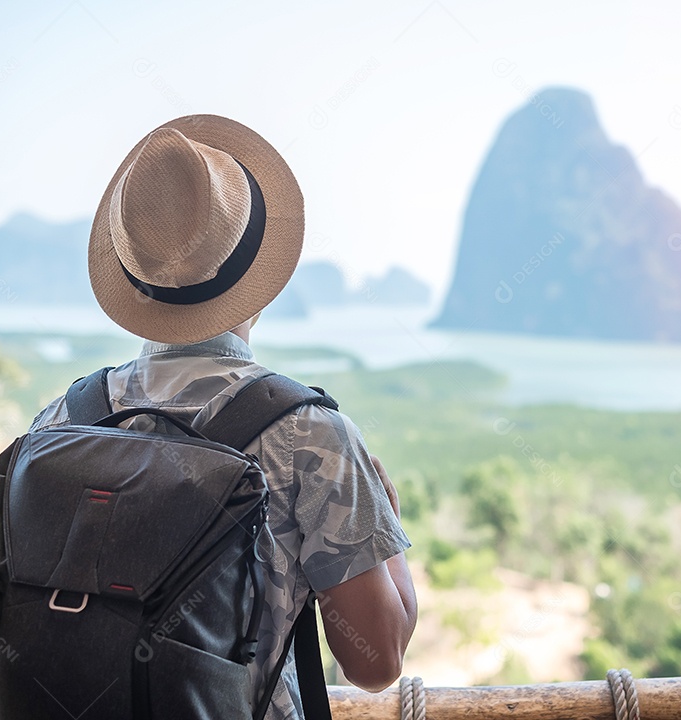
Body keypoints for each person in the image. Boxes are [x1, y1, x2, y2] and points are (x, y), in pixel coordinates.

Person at [28, 114, 417, 717]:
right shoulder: (309, 437)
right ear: (260, 278)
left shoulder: (57, 423)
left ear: (135, 280)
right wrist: (385, 533)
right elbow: (376, 662)